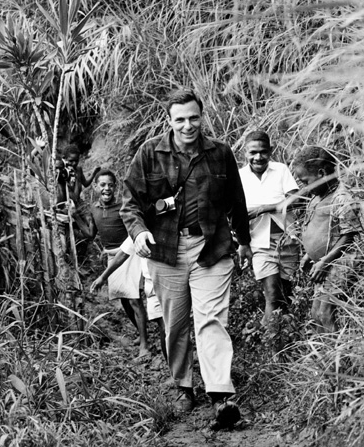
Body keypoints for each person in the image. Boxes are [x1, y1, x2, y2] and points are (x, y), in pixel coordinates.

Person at [120, 88, 252, 430]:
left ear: (201, 116)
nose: (188, 125)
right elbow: (130, 203)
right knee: (175, 324)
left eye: (193, 117)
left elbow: (236, 201)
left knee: (211, 319)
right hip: (165, 250)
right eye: (180, 119)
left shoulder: (220, 153)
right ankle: (183, 386)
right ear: (169, 120)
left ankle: (221, 394)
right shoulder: (150, 153)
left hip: (211, 247)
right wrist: (139, 232)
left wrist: (245, 243)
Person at [78, 169, 151, 360]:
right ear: (95, 187)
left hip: (128, 254)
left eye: (110, 185)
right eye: (102, 185)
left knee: (134, 298)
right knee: (123, 298)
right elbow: (90, 234)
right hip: (112, 257)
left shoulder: (122, 207)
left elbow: (132, 229)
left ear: (115, 187)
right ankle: (142, 331)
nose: (106, 188)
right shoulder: (93, 209)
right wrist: (75, 217)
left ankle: (145, 344)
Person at [239, 131, 300, 340]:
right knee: (272, 294)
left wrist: (265, 208)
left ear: (270, 152)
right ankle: (271, 342)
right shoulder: (239, 177)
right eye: (253, 152)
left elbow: (295, 199)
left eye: (263, 152)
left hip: (288, 240)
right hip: (259, 243)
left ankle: (287, 340)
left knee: (286, 295)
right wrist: (241, 243)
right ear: (245, 153)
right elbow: (233, 212)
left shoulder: (281, 170)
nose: (258, 157)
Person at [293, 146, 361, 333]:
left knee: (325, 313)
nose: (304, 187)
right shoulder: (318, 197)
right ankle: (324, 354)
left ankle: (338, 355)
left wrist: (325, 260)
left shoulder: (341, 197)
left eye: (305, 181)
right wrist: (309, 255)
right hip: (323, 266)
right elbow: (318, 227)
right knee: (316, 315)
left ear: (322, 173)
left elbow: (349, 235)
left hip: (338, 264)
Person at [90, 236, 167, 361]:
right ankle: (174, 371)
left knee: (168, 326)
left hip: (169, 281)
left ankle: (178, 371)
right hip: (152, 284)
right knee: (164, 326)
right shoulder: (138, 229)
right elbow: (123, 253)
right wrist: (103, 277)